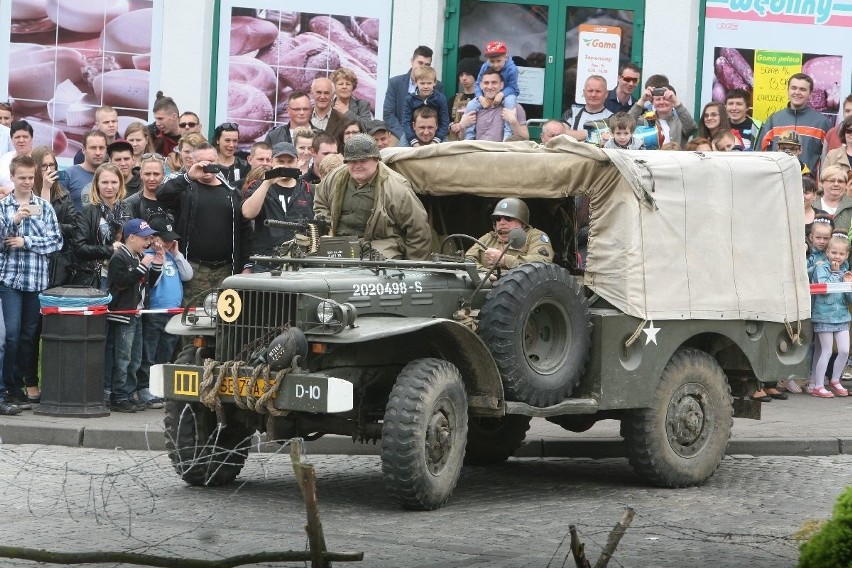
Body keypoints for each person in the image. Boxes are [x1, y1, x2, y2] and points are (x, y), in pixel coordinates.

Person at [0, 155, 63, 412]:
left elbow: (56, 242)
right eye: (21, 177)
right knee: (11, 336)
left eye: (30, 177)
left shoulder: (45, 207)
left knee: (28, 337)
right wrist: (13, 222)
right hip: (9, 280)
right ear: (12, 178)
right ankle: (8, 386)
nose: (26, 182)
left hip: (36, 280)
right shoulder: (4, 206)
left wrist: (26, 241)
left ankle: (20, 386)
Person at [156, 143, 252, 305]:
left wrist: (247, 265)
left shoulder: (232, 193)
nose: (206, 166)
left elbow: (245, 232)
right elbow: (162, 196)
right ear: (192, 162)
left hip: (227, 270)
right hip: (194, 268)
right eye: (201, 162)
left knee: (225, 322)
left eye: (210, 161)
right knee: (192, 321)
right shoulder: (185, 190)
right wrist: (188, 177)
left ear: (218, 161)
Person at [314, 133, 431, 260]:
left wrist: (412, 268)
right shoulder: (335, 177)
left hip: (381, 245)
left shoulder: (397, 188)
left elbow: (418, 230)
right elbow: (320, 201)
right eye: (352, 161)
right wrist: (327, 228)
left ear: (376, 159)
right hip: (340, 244)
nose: (357, 165)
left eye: (363, 160)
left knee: (376, 269)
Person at [105, 218, 163, 412]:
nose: (148, 242)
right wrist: (142, 267)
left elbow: (148, 283)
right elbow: (120, 282)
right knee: (123, 358)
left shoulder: (139, 256)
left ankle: (129, 393)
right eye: (144, 238)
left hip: (136, 313)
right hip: (123, 314)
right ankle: (118, 395)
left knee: (135, 358)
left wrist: (156, 265)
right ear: (131, 238)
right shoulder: (119, 257)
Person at [136, 216, 191, 409]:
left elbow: (188, 275)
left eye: (171, 239)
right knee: (149, 352)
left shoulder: (172, 256)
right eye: (164, 239)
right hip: (155, 312)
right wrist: (158, 258)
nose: (168, 243)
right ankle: (145, 388)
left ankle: (160, 388)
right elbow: (153, 282)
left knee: (166, 352)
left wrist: (176, 255)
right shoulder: (149, 257)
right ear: (154, 238)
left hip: (173, 313)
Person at [242, 142, 314, 271]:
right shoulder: (258, 186)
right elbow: (248, 213)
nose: (285, 165)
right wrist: (267, 183)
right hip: (265, 262)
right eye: (280, 161)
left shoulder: (308, 189)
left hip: (300, 262)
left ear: (297, 161)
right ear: (271, 162)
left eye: (290, 161)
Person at [73, 163, 131, 289]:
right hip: (99, 276)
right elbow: (79, 248)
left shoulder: (128, 209)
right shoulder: (87, 213)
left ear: (120, 183)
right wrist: (110, 249)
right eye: (104, 182)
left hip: (125, 273)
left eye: (114, 182)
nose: (109, 187)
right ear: (97, 185)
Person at [757, 73, 831, 172]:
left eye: (802, 89)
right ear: (788, 90)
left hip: (808, 182)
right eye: (794, 88)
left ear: (810, 93)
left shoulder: (822, 122)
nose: (797, 92)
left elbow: (828, 158)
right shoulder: (774, 119)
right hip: (778, 180)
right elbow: (760, 154)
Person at [808, 234, 852, 398]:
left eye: (841, 254)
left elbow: (849, 299)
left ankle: (835, 380)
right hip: (824, 316)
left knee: (844, 350)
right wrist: (835, 273)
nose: (837, 257)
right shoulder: (821, 268)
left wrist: (848, 284)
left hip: (842, 316)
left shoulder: (846, 270)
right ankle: (818, 385)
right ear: (828, 252)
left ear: (846, 255)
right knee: (826, 351)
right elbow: (824, 290)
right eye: (834, 252)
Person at [465, 198, 553, 274]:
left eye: (508, 218)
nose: (501, 222)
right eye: (498, 219)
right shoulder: (489, 238)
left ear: (522, 222)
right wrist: (485, 273)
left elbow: (542, 262)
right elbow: (468, 259)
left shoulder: (534, 236)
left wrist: (504, 260)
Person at [32, 146, 77, 288]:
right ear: (35, 168)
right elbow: (35, 225)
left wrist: (52, 227)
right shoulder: (26, 194)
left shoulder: (64, 194)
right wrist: (45, 189)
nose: (49, 170)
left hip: (59, 262)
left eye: (51, 165)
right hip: (33, 260)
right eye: (44, 166)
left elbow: (73, 228)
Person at [383, 46, 443, 142]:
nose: (422, 67)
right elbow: (388, 114)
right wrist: (405, 136)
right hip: (401, 134)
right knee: (392, 153)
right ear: (412, 61)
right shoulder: (395, 83)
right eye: (420, 63)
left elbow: (441, 115)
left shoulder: (437, 85)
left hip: (428, 135)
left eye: (427, 65)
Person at [465, 41, 519, 141]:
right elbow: (478, 84)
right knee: (471, 105)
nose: (495, 65)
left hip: (507, 94)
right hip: (486, 96)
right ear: (487, 59)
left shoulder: (512, 69)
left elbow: (514, 88)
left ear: (505, 57)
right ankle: (469, 137)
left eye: (499, 61)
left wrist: (501, 94)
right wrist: (480, 97)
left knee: (510, 102)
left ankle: (507, 135)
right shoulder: (485, 66)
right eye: (492, 61)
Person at [463, 68, 528, 141]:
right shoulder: (473, 107)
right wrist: (462, 125)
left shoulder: (514, 108)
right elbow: (462, 138)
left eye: (494, 83)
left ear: (501, 85)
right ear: (481, 85)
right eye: (486, 83)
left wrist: (513, 121)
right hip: (477, 151)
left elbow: (525, 138)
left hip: (501, 151)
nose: (490, 87)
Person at [629, 83, 697, 148]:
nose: (661, 102)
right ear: (653, 103)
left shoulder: (680, 122)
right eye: (658, 99)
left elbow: (692, 128)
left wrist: (676, 102)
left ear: (672, 102)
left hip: (676, 159)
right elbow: (626, 124)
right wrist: (642, 100)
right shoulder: (645, 121)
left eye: (666, 99)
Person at [402, 65, 449, 146]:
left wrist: (437, 139)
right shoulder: (409, 99)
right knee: (403, 149)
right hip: (413, 134)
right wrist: (413, 141)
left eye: (429, 83)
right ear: (416, 82)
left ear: (434, 83)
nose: (426, 86)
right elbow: (406, 122)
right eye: (422, 83)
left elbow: (444, 121)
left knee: (447, 149)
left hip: (437, 134)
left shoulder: (440, 99)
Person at [65, 130, 108, 212]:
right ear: (83, 150)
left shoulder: (113, 176)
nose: (98, 152)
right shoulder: (68, 175)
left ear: (106, 149)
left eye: (101, 148)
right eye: (93, 148)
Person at [562, 76, 613, 143]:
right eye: (590, 91)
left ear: (606, 94)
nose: (593, 94)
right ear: (584, 92)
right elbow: (561, 134)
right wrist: (593, 134)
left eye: (598, 91)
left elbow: (611, 140)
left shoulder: (612, 118)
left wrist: (575, 135)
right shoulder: (571, 113)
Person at [123, 152, 172, 223]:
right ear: (141, 175)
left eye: (156, 174)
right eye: (147, 174)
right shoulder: (129, 204)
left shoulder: (173, 201)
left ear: (163, 175)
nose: (151, 179)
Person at [448, 57, 480, 141]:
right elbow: (445, 121)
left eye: (468, 74)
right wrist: (452, 125)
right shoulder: (453, 100)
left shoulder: (481, 99)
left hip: (477, 142)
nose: (464, 78)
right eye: (461, 75)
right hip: (455, 142)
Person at [0, 119, 34, 192]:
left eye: (25, 137)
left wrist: (10, 193)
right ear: (12, 139)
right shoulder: (5, 157)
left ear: (31, 139)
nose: (21, 140)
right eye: (17, 137)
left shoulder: (39, 158)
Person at [815, 165, 852, 230]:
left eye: (840, 181)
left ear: (846, 185)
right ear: (821, 183)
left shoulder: (850, 205)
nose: (836, 184)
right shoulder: (811, 205)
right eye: (832, 181)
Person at [803, 176, 828, 240]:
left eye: (806, 193)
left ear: (814, 195)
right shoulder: (786, 217)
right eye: (798, 193)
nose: (802, 196)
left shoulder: (824, 216)